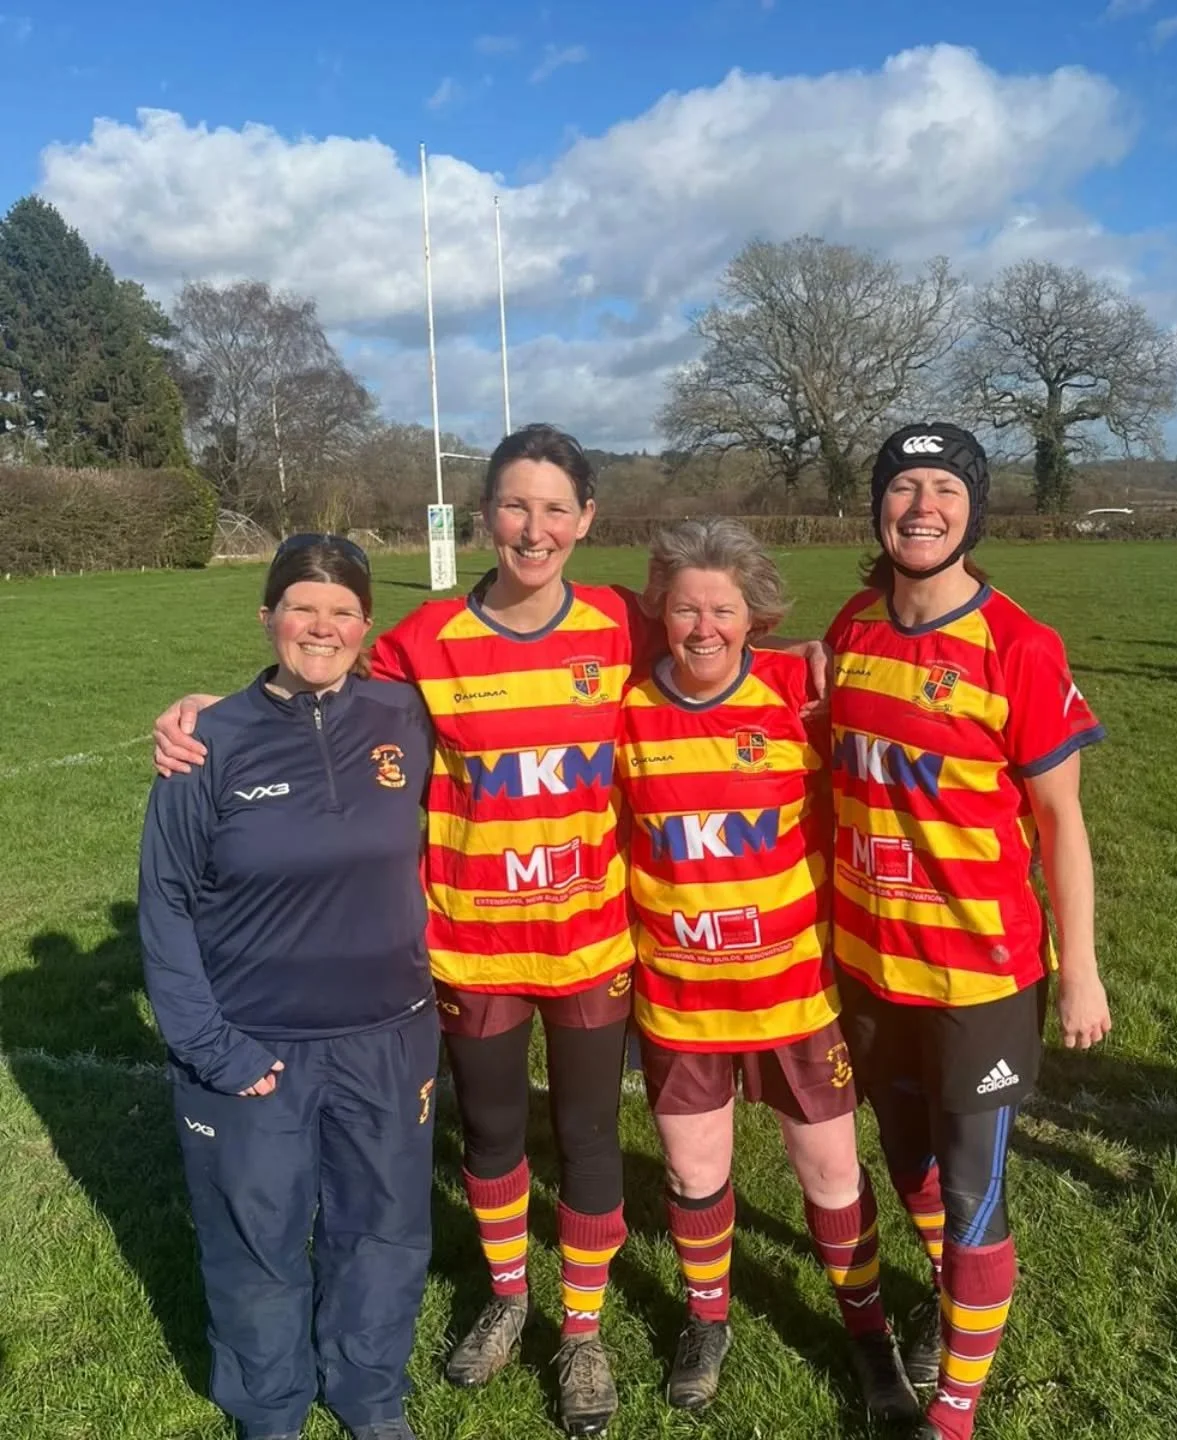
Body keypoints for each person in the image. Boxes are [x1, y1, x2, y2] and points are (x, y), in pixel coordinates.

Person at [152, 424, 826, 1438]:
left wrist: (802, 661)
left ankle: (584, 1333)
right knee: (498, 1136)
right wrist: (207, 707)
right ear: (485, 518)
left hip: (593, 945)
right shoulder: (422, 643)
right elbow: (311, 678)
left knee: (591, 1141)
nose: (535, 527)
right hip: (471, 948)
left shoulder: (614, 623)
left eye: (557, 508)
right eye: (515, 505)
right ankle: (511, 1297)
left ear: (586, 521)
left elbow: (711, 641)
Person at [825, 422, 1113, 1440]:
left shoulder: (1019, 646)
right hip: (865, 964)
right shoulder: (854, 625)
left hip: (978, 975)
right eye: (903, 486)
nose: (922, 506)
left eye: (944, 488)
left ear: (972, 512)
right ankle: (952, 1298)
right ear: (878, 508)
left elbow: (1061, 822)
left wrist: (1077, 970)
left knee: (975, 1184)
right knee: (910, 1168)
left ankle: (953, 1410)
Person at [138, 536, 437, 1440]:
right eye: (302, 607)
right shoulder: (206, 744)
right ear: (266, 617)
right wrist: (215, 1050)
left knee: (382, 1233)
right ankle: (269, 1412)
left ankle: (368, 1394)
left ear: (366, 629)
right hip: (253, 1047)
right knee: (255, 1242)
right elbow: (166, 909)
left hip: (390, 1037)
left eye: (343, 611)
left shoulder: (405, 717)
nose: (322, 626)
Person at [618, 518, 917, 1420]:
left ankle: (868, 1331)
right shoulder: (626, 708)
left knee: (830, 1173)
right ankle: (708, 1319)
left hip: (796, 993)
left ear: (757, 617)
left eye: (724, 609)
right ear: (659, 614)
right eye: (684, 609)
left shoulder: (800, 689)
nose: (703, 627)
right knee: (695, 1172)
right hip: (680, 996)